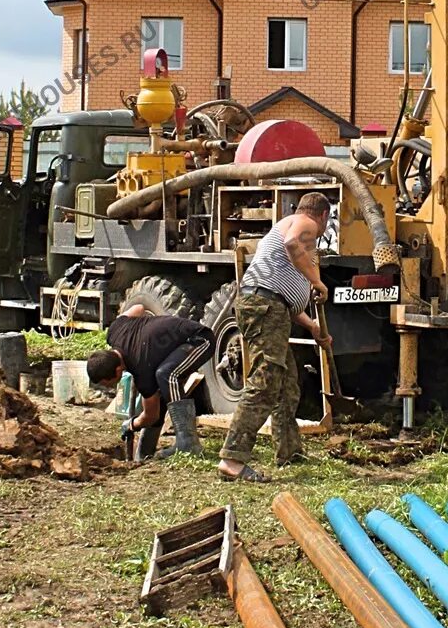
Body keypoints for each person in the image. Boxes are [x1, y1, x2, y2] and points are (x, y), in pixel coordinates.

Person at [219, 191, 334, 483]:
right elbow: (291, 243)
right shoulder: (305, 224)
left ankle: (289, 451)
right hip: (265, 305)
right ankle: (233, 459)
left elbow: (286, 300)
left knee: (286, 385)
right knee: (266, 379)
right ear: (323, 216)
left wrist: (312, 327)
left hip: (271, 307)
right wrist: (317, 281)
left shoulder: (297, 236)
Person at [86, 303, 211, 459]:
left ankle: (188, 444)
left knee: (167, 375)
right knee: (162, 383)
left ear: (118, 371)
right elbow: (139, 308)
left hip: (200, 339)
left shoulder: (141, 369)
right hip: (181, 339)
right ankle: (145, 454)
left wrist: (132, 424)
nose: (111, 386)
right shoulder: (114, 331)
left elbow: (151, 415)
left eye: (108, 383)